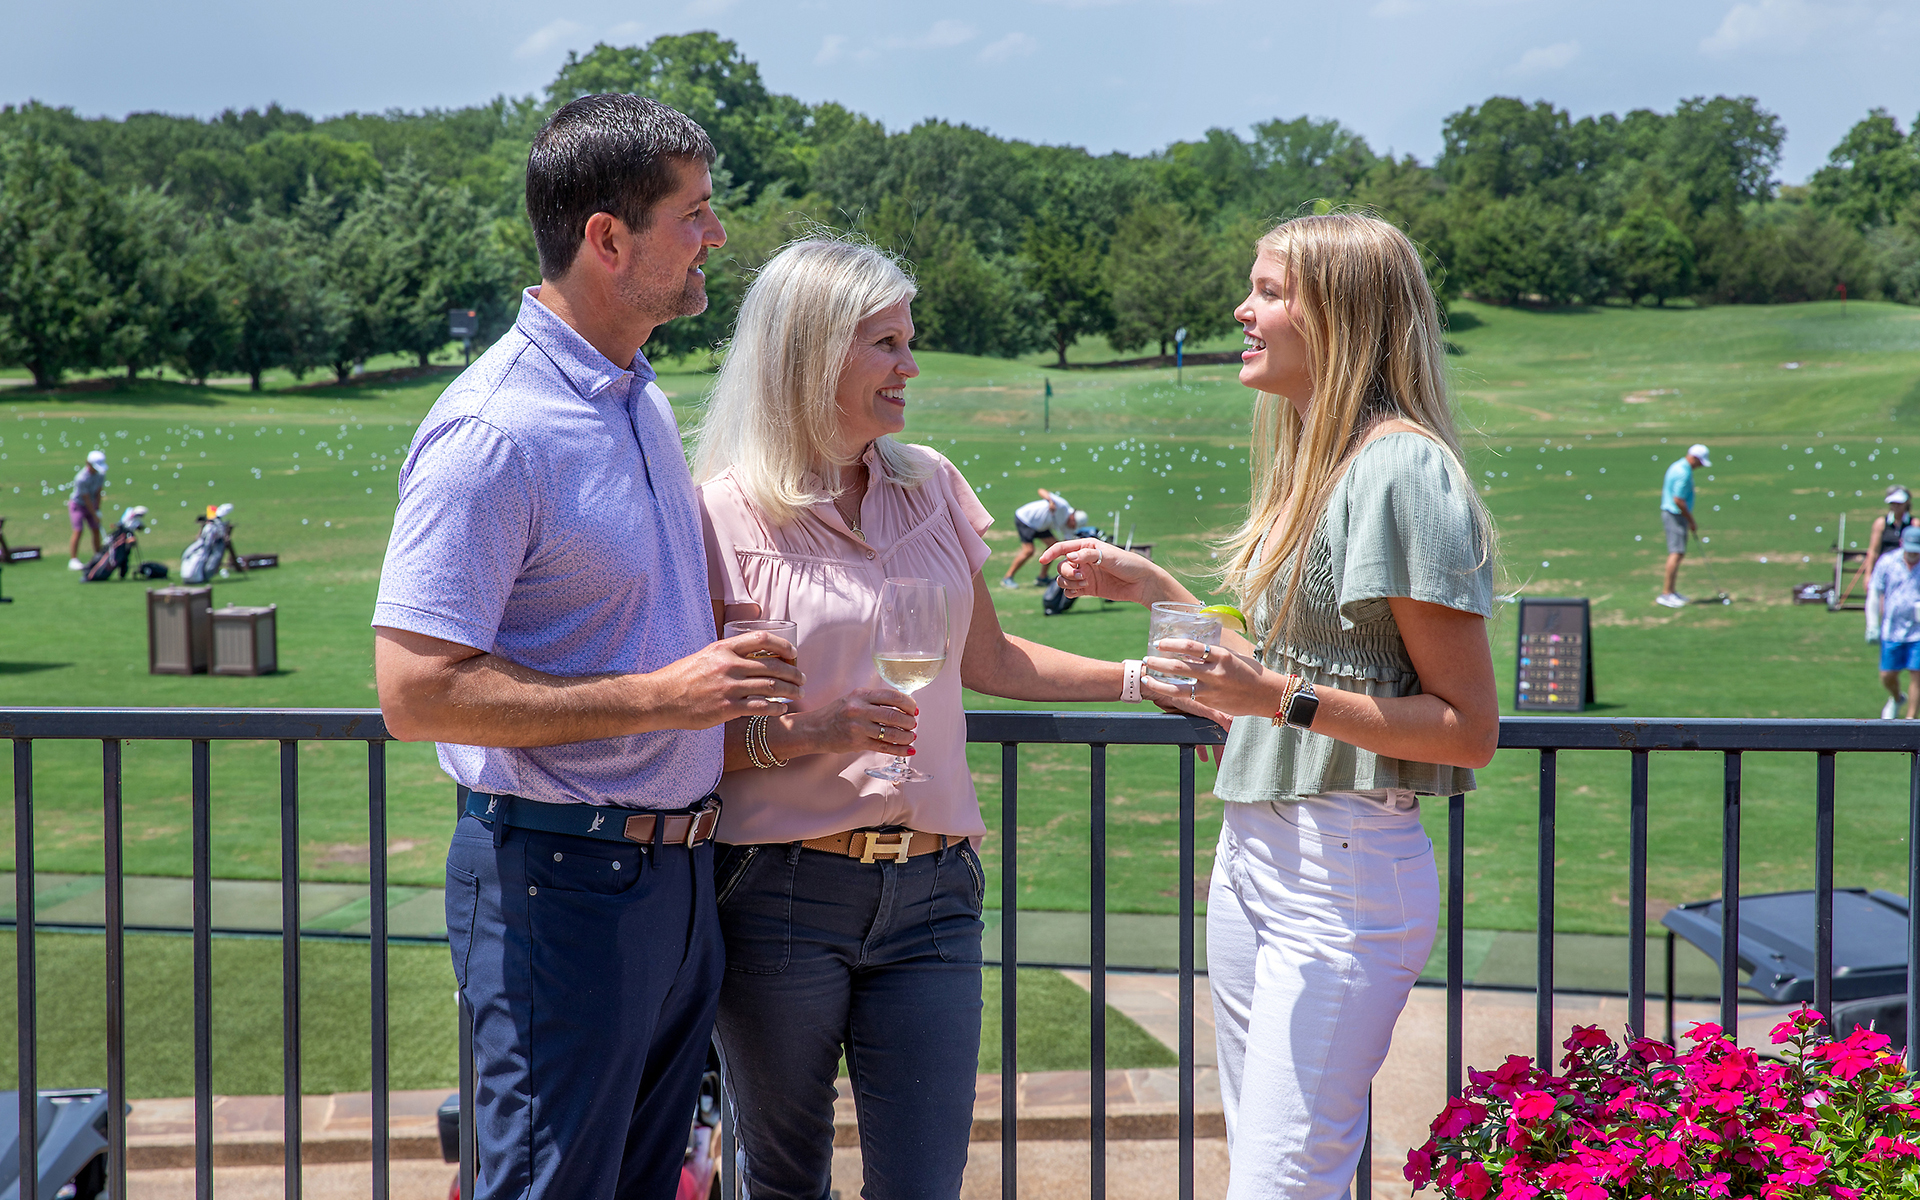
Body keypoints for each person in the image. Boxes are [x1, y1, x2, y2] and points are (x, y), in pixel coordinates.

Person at [371, 94, 805, 1200]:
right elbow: (416, 692)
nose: (717, 235)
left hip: (672, 881)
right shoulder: (493, 430)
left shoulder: (637, 397)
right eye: (694, 214)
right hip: (559, 884)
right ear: (607, 238)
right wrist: (665, 695)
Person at [691, 236, 1164, 1200]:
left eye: (909, 341)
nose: (910, 366)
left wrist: (1141, 678)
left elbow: (992, 660)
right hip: (779, 892)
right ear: (810, 353)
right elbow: (687, 732)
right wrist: (818, 732)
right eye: (886, 344)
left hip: (936, 892)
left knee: (924, 1184)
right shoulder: (717, 517)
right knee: (782, 1184)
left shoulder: (931, 484)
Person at [1041, 212, 1498, 1199]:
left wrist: (1275, 697)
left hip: (1343, 873)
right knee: (1262, 1162)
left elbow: (1467, 731)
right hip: (1255, 854)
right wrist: (1159, 591)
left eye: (1270, 292)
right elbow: (1293, 670)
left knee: (1281, 1180)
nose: (1242, 312)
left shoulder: (1403, 471)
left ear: (1342, 316)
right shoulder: (1318, 460)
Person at [1870, 524, 1920, 720]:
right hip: (1892, 629)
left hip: (1918, 632)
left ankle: (1910, 721)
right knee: (1887, 675)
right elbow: (1875, 592)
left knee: (1917, 675)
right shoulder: (1887, 562)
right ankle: (1897, 698)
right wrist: (1872, 624)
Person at [1657, 443, 1710, 607]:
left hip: (1674, 514)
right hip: (1675, 515)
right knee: (1676, 553)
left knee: (1678, 553)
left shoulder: (1678, 466)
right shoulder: (1683, 472)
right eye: (1700, 462)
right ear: (1694, 458)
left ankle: (1671, 591)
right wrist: (1690, 520)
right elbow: (1678, 500)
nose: (1700, 466)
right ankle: (1666, 594)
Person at [999, 487, 1083, 587]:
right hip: (1026, 519)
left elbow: (1067, 544)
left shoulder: (1069, 527)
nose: (1072, 527)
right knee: (1028, 551)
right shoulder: (1062, 506)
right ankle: (1007, 577)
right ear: (1072, 518)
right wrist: (1050, 501)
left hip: (1041, 526)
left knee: (1053, 547)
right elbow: (1041, 490)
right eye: (1073, 525)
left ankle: (1042, 578)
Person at [67, 449, 108, 570]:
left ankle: (98, 556)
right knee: (78, 530)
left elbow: (98, 492)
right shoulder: (81, 478)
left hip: (92, 505)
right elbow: (86, 498)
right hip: (78, 505)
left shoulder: (101, 474)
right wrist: (94, 514)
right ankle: (73, 560)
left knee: (96, 529)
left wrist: (98, 509)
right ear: (88, 464)